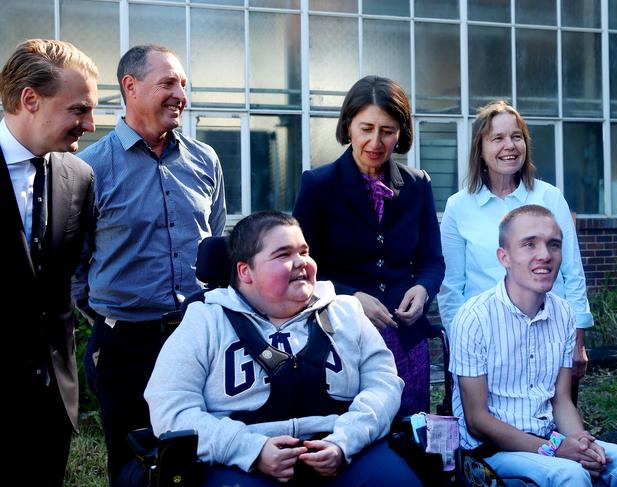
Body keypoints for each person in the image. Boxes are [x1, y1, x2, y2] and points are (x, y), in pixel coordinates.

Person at [143, 211, 422, 486]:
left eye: (304, 251)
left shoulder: (347, 312)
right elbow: (172, 411)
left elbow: (383, 386)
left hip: (347, 451)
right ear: (245, 271)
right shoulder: (204, 322)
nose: (301, 262)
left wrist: (344, 442)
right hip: (239, 462)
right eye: (283, 255)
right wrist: (252, 450)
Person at [72, 44, 226, 483]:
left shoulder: (205, 160)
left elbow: (212, 243)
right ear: (130, 87)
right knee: (132, 461)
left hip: (197, 336)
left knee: (200, 454)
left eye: (183, 84)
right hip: (124, 346)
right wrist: (112, 312)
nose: (180, 94)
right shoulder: (88, 169)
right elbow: (75, 265)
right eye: (168, 83)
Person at [450, 205, 617, 486]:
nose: (544, 254)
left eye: (553, 244)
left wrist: (580, 444)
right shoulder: (473, 319)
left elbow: (561, 400)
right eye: (529, 244)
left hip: (550, 437)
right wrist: (557, 450)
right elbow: (477, 421)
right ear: (503, 257)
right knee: (571, 473)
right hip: (492, 450)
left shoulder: (564, 314)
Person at [293, 75, 445, 415]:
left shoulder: (417, 184)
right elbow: (301, 270)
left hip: (406, 340)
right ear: (348, 126)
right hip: (342, 340)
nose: (376, 141)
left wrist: (422, 289)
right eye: (366, 128)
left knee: (411, 436)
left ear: (400, 133)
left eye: (387, 131)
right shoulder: (318, 185)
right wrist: (350, 297)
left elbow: (432, 261)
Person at [438, 100, 592, 402]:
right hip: (488, 344)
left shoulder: (549, 197)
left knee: (556, 424)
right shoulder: (459, 206)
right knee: (491, 431)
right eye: (497, 138)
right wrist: (463, 345)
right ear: (479, 149)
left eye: (516, 136)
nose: (509, 146)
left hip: (550, 339)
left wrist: (577, 339)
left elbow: (573, 273)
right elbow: (451, 287)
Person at [1, 39, 97, 485]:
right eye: (78, 110)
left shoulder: (78, 176)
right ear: (30, 100)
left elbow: (71, 277)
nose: (90, 125)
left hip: (51, 408)